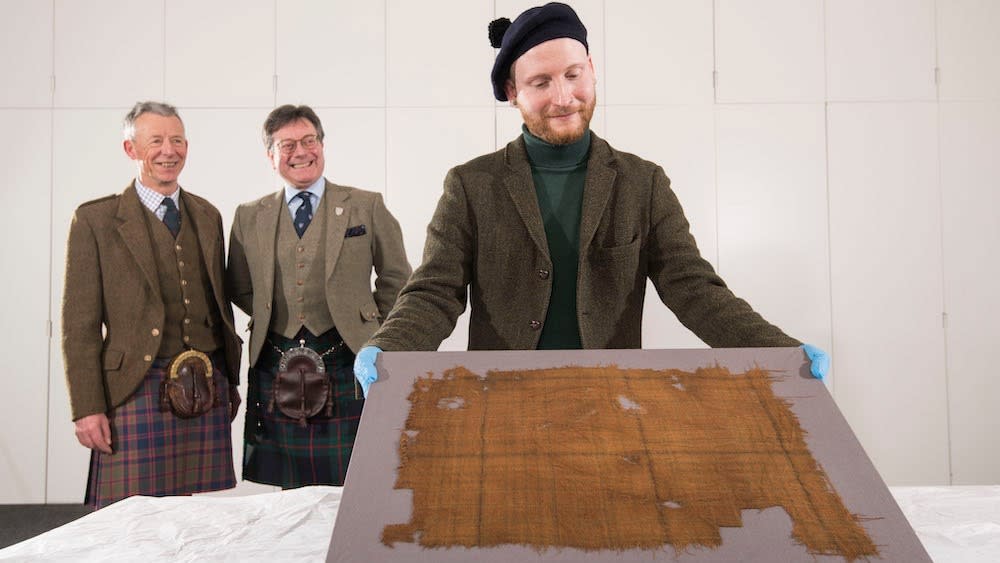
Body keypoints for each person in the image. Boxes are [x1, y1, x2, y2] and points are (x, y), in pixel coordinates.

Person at [354, 2, 829, 394]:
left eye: (573, 74)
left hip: (612, 398)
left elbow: (693, 289)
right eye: (540, 83)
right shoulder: (470, 185)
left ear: (593, 71)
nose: (563, 97)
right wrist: (389, 346)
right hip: (500, 400)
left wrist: (777, 348)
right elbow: (435, 292)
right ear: (511, 92)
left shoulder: (643, 183)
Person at [62, 101, 241, 508]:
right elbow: (80, 327)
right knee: (128, 518)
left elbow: (219, 304)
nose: (168, 151)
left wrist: (228, 381)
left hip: (204, 383)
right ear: (131, 149)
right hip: (134, 387)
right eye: (155, 141)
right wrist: (87, 408)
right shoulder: (96, 220)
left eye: (176, 140)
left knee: (191, 515)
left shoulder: (207, 214)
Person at [226, 105, 411, 487]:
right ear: (271, 156)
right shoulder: (248, 215)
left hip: (350, 357)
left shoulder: (366, 204)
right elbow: (241, 285)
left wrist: (369, 323)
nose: (301, 152)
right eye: (288, 144)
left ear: (322, 145)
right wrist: (275, 317)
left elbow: (397, 278)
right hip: (276, 361)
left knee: (356, 478)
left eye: (310, 140)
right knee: (288, 487)